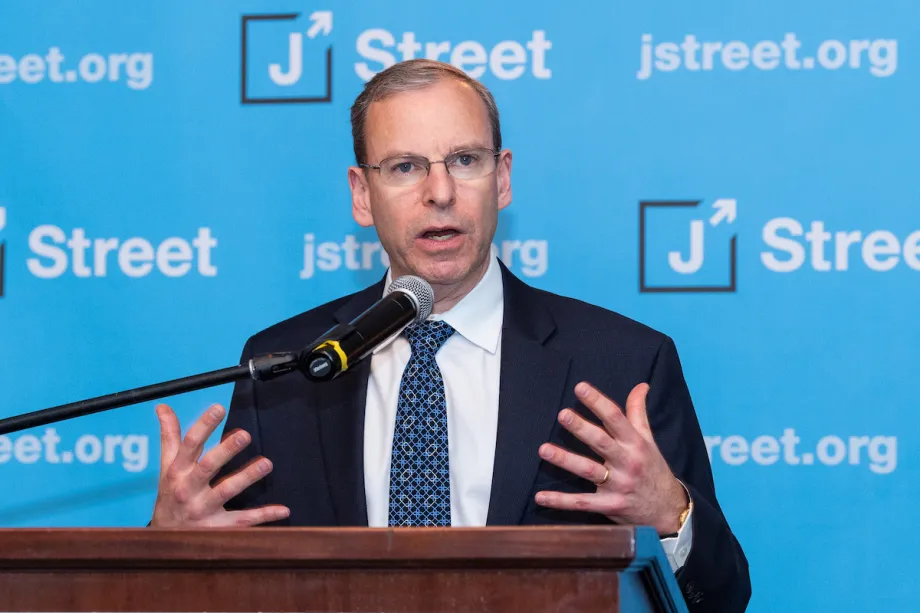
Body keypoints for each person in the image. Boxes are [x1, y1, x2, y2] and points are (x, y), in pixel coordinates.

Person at [150, 59, 750, 612]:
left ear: (502, 178)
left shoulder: (622, 363)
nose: (440, 193)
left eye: (465, 160)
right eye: (405, 167)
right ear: (362, 194)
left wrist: (672, 517)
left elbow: (721, 599)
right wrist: (166, 555)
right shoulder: (288, 368)